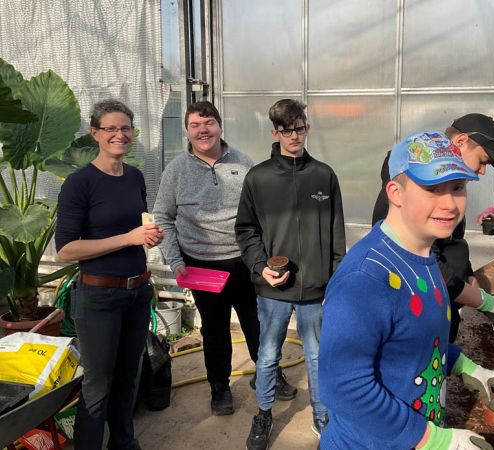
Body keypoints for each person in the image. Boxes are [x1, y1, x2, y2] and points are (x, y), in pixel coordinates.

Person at [319, 131, 494, 450]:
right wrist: (431, 439)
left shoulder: (423, 256)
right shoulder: (365, 278)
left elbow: (417, 340)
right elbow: (343, 387)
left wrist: (467, 367)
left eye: (457, 187)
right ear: (396, 193)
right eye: (432, 189)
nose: (450, 204)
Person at [153, 101, 296, 416]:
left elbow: (261, 213)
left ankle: (269, 374)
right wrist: (175, 260)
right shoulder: (176, 170)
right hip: (201, 266)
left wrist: (264, 258)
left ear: (219, 126)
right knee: (214, 329)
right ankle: (219, 387)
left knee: (257, 323)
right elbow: (163, 217)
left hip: (244, 261)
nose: (203, 131)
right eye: (195, 125)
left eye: (209, 123)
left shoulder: (242, 163)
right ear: (187, 131)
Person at [235, 98, 346, 449]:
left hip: (316, 288)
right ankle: (264, 413)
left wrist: (336, 282)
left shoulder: (324, 175)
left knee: (317, 356)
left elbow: (337, 234)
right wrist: (261, 267)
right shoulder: (259, 178)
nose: (294, 136)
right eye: (286, 130)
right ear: (275, 133)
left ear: (307, 128)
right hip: (274, 290)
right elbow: (246, 230)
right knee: (268, 354)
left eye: (299, 128)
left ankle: (321, 414)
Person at [56, 99, 164, 450]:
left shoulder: (134, 177)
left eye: (125, 128)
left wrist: (148, 236)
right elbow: (65, 250)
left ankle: (124, 442)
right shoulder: (80, 183)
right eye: (111, 129)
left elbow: (136, 229)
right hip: (98, 297)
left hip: (137, 292)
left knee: (128, 376)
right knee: (98, 384)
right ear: (95, 133)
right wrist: (128, 238)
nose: (120, 135)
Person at [373, 114, 494, 339]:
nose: (482, 171)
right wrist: (481, 300)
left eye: (458, 188)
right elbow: (420, 260)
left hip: (442, 308)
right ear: (460, 141)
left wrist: (467, 274)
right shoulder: (409, 195)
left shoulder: (447, 197)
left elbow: (453, 242)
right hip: (419, 314)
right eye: (482, 161)